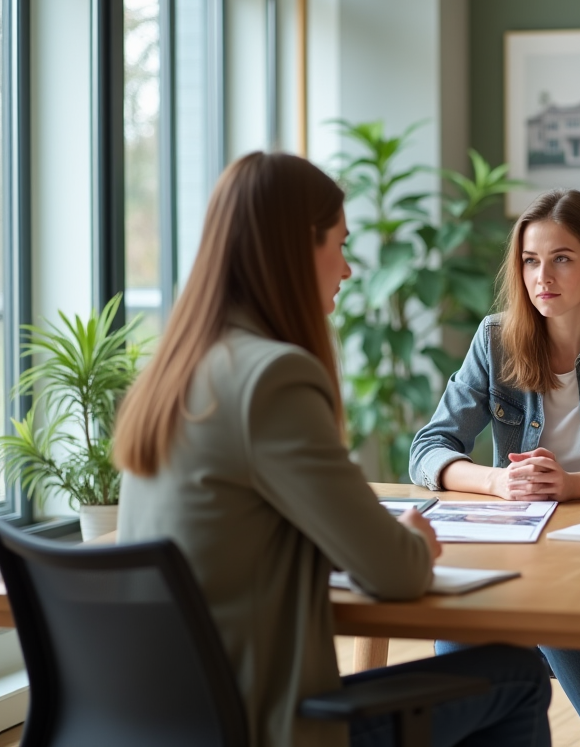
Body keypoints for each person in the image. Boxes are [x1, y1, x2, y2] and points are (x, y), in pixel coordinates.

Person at [113, 152, 551, 747]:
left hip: (161, 721)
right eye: (339, 244)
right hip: (261, 727)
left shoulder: (175, 371)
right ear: (297, 247)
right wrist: (408, 540)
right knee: (518, 673)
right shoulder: (273, 378)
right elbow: (395, 572)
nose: (346, 268)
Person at [410, 188, 580, 747]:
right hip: (517, 550)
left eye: (562, 258)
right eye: (530, 260)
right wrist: (499, 481)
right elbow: (428, 448)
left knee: (553, 611)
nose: (543, 276)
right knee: (458, 654)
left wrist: (571, 486)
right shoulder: (495, 339)